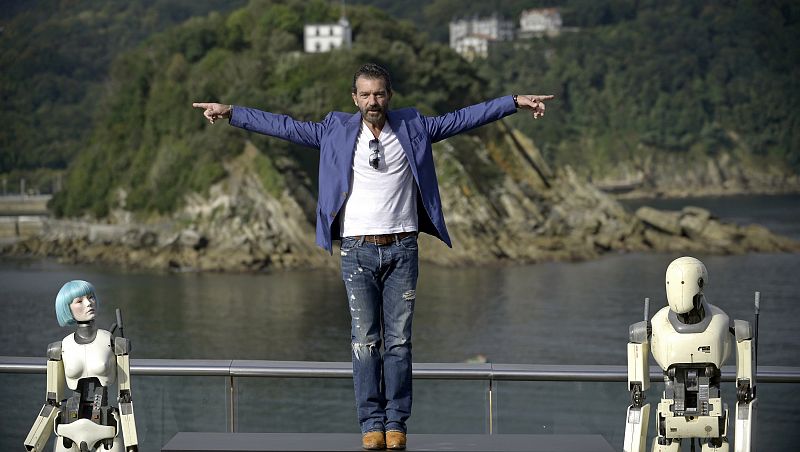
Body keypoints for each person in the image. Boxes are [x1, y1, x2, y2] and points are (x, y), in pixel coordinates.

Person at [193, 63, 553, 450]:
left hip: (402, 249)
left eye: (379, 93)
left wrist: (513, 102)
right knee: (364, 342)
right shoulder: (335, 129)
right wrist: (232, 112)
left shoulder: (414, 127)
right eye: (365, 94)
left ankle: (396, 422)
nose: (372, 101)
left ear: (389, 95)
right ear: (354, 98)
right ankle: (371, 422)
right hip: (357, 251)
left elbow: (464, 118)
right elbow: (285, 126)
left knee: (398, 342)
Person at [25, 280, 139, 451]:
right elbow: (51, 400)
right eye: (79, 301)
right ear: (67, 308)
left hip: (105, 428)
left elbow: (125, 397)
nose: (88, 303)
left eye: (91, 297)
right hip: (68, 429)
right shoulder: (61, 347)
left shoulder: (112, 342)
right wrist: (34, 440)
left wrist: (131, 443)